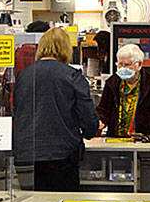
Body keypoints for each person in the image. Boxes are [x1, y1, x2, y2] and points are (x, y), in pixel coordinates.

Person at [13, 25, 98, 191]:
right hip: (62, 155)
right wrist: (91, 130)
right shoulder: (72, 76)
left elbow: (17, 110)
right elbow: (88, 120)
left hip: (26, 155)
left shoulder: (23, 76)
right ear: (66, 49)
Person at [96, 44, 150, 138]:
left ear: (139, 65)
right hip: (116, 140)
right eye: (120, 64)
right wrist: (100, 120)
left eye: (127, 65)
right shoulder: (112, 84)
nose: (122, 68)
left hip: (144, 142)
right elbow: (103, 110)